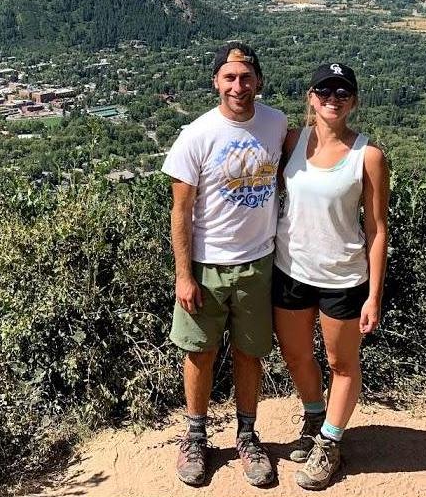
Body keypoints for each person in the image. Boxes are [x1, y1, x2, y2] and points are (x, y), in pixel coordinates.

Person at [162, 42, 287, 488]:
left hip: (258, 262)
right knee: (199, 352)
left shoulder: (276, 123)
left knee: (250, 352)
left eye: (246, 77)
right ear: (216, 81)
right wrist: (183, 274)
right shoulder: (195, 135)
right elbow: (180, 211)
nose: (239, 85)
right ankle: (195, 436)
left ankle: (247, 436)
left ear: (259, 81)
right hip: (207, 265)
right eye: (229, 77)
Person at [273, 61, 389, 491]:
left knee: (342, 363)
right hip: (290, 269)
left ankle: (331, 442)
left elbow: (377, 229)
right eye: (324, 91)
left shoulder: (368, 156)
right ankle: (314, 417)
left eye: (342, 93)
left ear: (353, 102)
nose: (332, 99)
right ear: (310, 97)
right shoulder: (291, 141)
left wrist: (374, 295)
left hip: (343, 276)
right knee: (297, 356)